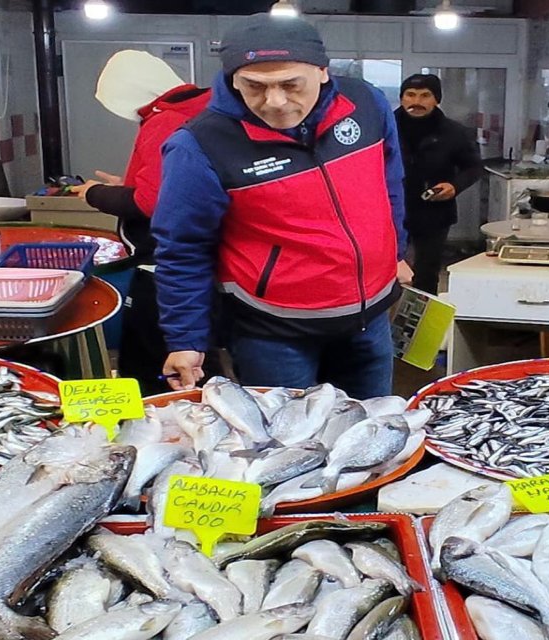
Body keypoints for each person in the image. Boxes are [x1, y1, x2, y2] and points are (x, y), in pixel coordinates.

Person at [151, 14, 412, 399]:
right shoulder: (199, 145)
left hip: (369, 319)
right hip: (273, 334)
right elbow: (182, 248)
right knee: (285, 450)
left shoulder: (366, 103)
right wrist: (186, 338)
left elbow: (389, 184)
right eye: (254, 87)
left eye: (291, 84)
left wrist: (396, 251)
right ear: (232, 79)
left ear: (323, 72)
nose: (274, 102)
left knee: (371, 437)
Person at [69, 50, 215, 395]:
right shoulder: (201, 112)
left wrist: (95, 193)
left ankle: (157, 426)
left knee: (150, 365)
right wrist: (128, 182)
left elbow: (152, 202)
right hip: (201, 264)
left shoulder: (164, 120)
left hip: (161, 265)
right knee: (190, 360)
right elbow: (175, 185)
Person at [395, 73, 483, 294]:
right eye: (410, 95)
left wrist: (454, 187)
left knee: (426, 273)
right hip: (389, 210)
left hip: (433, 212)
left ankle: (422, 324)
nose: (416, 101)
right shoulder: (384, 127)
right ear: (402, 98)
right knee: (384, 272)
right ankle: (384, 324)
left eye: (425, 95)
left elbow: (473, 167)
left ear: (437, 100)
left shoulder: (454, 132)